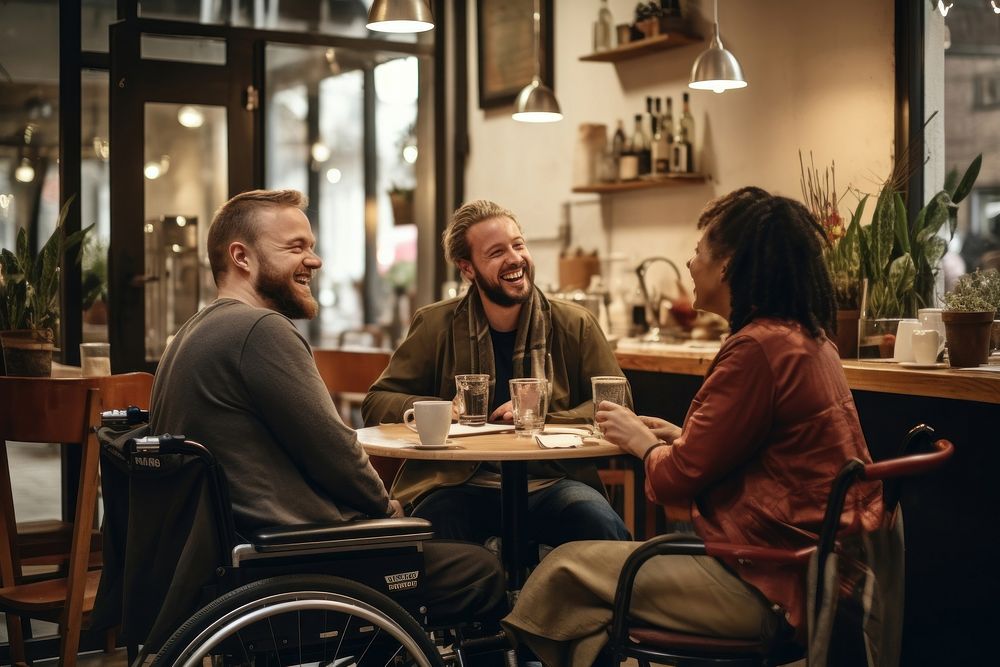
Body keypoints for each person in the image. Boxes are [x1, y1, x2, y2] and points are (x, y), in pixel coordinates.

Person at [501, 187, 884, 667]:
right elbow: (767, 456)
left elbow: (672, 481)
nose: (688, 263)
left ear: (728, 266)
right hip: (811, 571)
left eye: (698, 250)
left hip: (767, 581)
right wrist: (683, 439)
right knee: (588, 633)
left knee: (563, 570)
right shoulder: (806, 339)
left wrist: (644, 445)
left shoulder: (755, 351)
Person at [150, 189, 506, 624]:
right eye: (296, 247)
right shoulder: (260, 330)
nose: (314, 261)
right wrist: (385, 507)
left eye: (312, 247)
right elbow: (335, 451)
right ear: (242, 257)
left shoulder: (193, 331)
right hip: (292, 559)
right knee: (480, 570)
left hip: (228, 558)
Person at [362, 199, 630, 547]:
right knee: (428, 538)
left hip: (552, 481)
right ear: (468, 268)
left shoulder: (575, 324)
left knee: (600, 526)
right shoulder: (435, 324)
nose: (515, 258)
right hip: (459, 483)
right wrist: (441, 410)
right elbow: (377, 402)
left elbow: (618, 405)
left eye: (518, 245)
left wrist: (540, 415)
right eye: (496, 252)